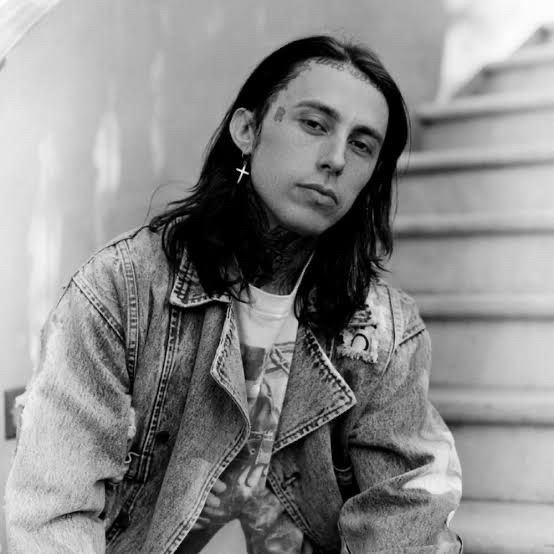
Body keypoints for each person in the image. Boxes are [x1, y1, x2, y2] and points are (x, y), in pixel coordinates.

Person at [5, 35, 463, 553]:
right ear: (247, 130)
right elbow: (55, 514)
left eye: (362, 145)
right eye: (314, 124)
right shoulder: (121, 289)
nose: (336, 158)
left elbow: (407, 511)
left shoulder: (384, 332)